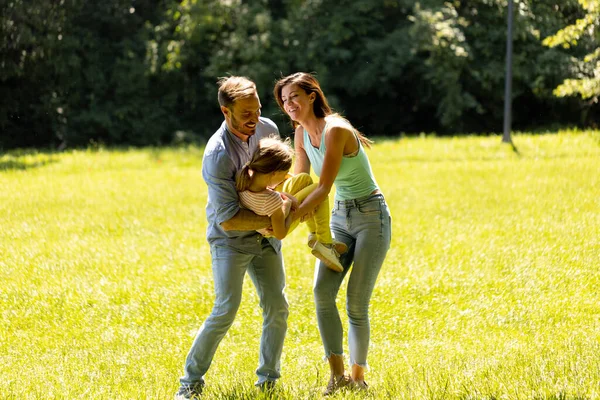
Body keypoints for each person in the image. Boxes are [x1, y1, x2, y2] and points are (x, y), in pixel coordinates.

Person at [273, 72, 392, 395]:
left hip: (371, 216)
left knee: (356, 302)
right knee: (322, 294)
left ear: (312, 96)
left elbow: (323, 187)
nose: (289, 104)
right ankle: (336, 376)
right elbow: (301, 182)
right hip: (340, 216)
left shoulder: (336, 130)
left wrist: (290, 220)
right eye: (284, 100)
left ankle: (357, 378)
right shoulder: (299, 134)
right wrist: (279, 204)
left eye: (294, 97)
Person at [175, 76, 289, 399]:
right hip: (231, 241)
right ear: (226, 113)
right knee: (226, 308)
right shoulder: (217, 154)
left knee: (278, 307)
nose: (254, 119)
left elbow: (277, 178)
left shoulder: (267, 129)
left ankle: (268, 382)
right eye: (245, 114)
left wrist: (285, 205)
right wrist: (271, 219)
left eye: (257, 110)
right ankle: (190, 383)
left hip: (266, 240)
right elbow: (228, 219)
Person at [235, 135, 348, 271]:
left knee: (304, 179)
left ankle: (314, 234)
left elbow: (269, 191)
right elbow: (280, 234)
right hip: (278, 224)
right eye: (285, 173)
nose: (286, 176)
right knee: (319, 191)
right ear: (274, 173)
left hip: (269, 209)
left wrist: (286, 196)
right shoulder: (273, 201)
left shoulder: (244, 178)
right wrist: (287, 204)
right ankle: (325, 242)